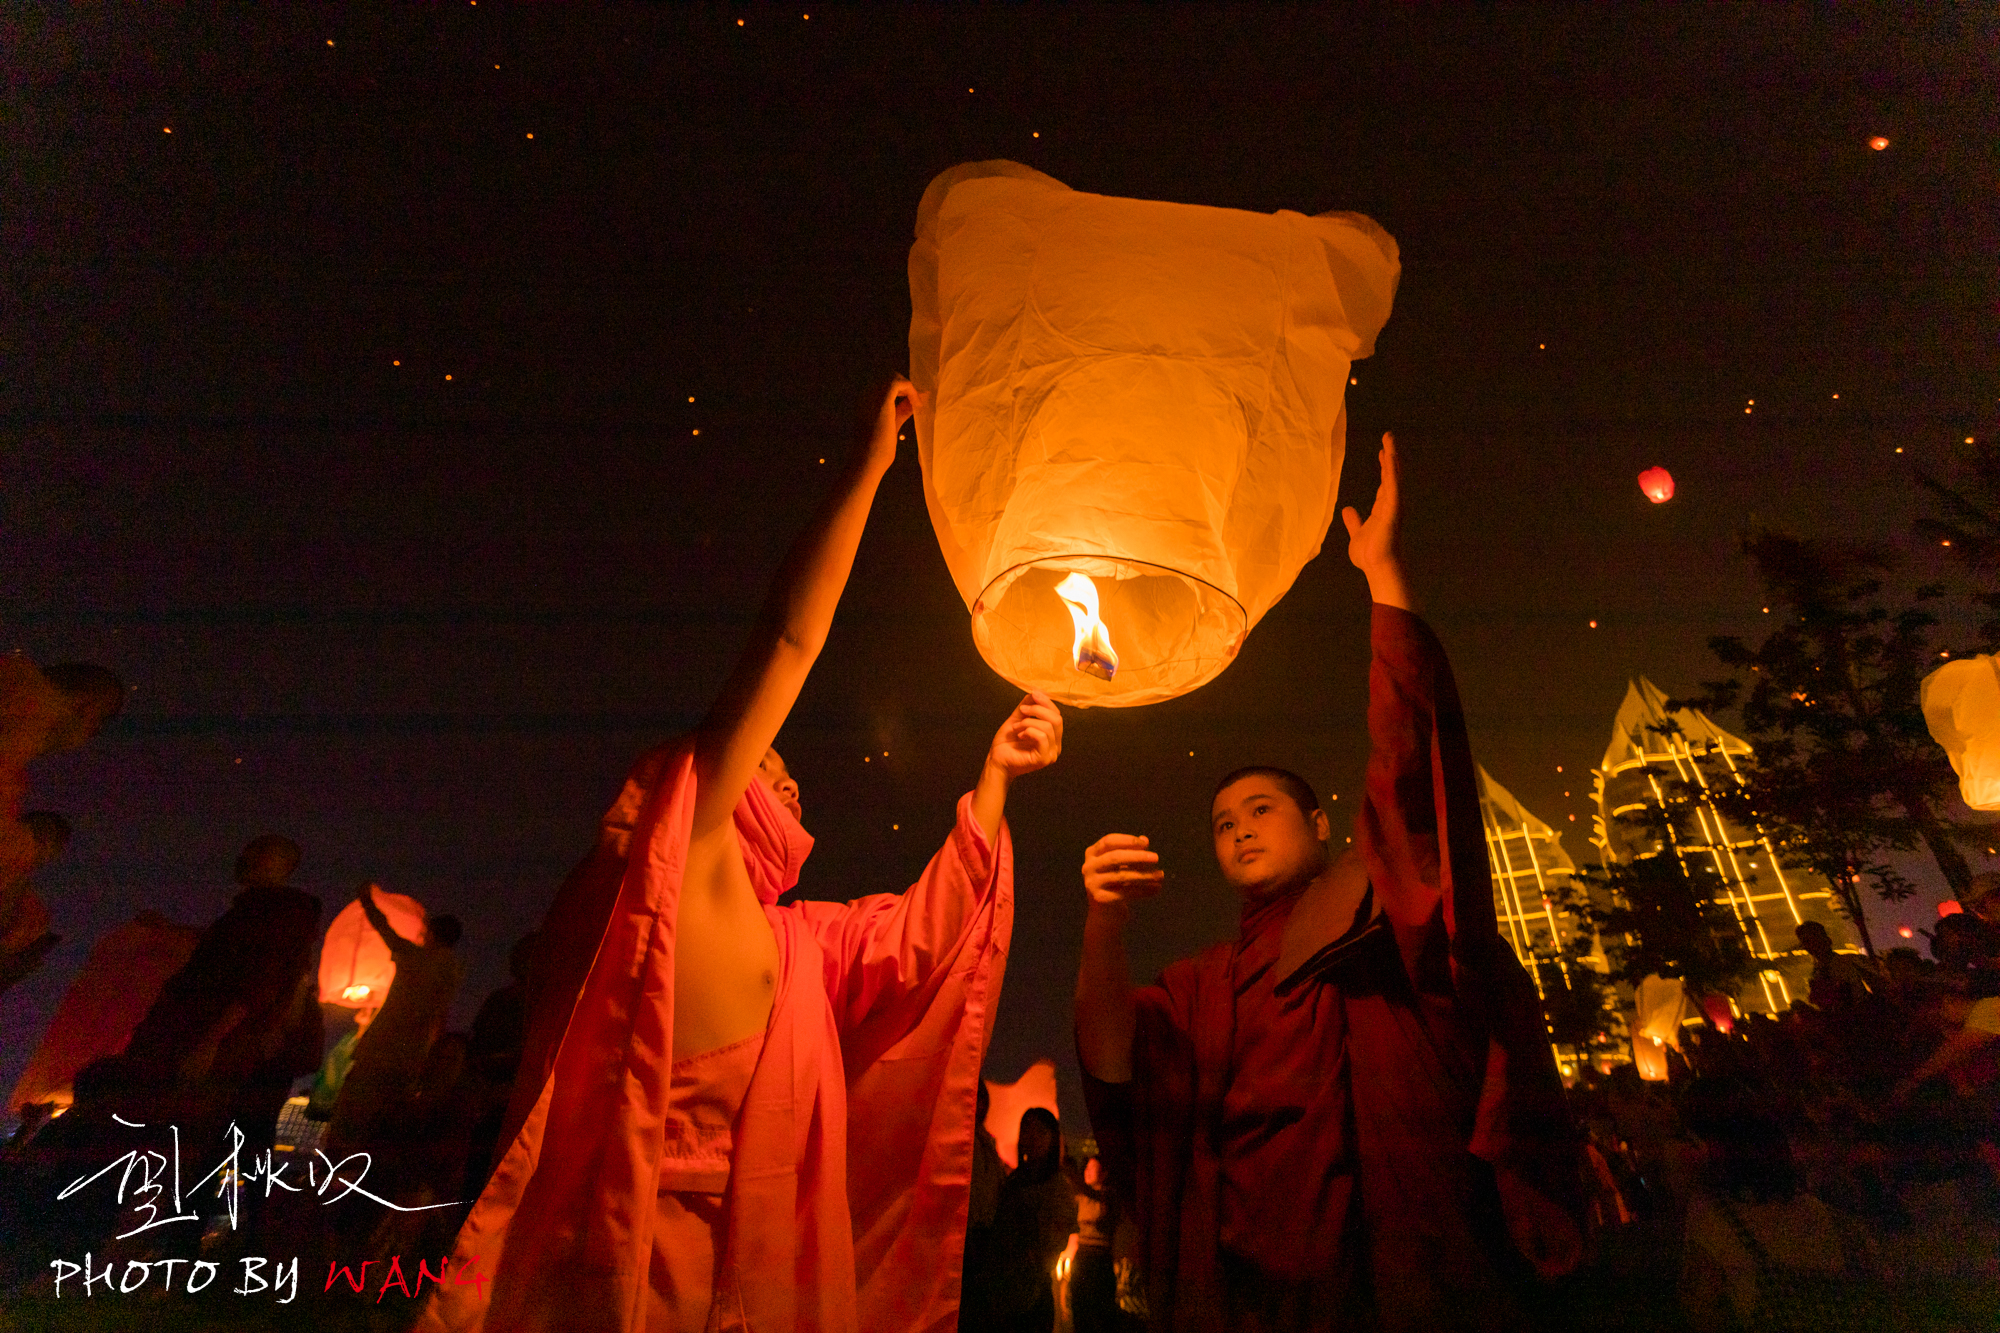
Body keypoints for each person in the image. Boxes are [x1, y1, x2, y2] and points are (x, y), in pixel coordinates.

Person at [423, 378, 1063, 1333]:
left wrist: (997, 779)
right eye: (768, 763)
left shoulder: (804, 939)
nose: (790, 782)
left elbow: (919, 939)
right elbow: (789, 638)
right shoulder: (687, 873)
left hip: (770, 1268)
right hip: (651, 1256)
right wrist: (866, 472)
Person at [1075, 435, 1584, 1333]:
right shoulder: (1205, 985)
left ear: (1320, 825)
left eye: (1261, 807)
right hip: (1244, 1296)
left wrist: (1384, 576)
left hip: (1389, 1276)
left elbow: (1411, 787)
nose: (1237, 825)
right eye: (1223, 821)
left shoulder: (1372, 913)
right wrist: (1103, 920)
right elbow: (1115, 1060)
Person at [324, 886, 464, 1174]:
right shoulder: (452, 971)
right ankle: (370, 1177)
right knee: (387, 1125)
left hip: (381, 1049)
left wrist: (366, 901)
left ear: (430, 934)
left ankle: (337, 1174)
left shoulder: (414, 957)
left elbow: (384, 929)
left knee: (353, 1116)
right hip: (411, 1058)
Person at [986, 1108, 1077, 1333]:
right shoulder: (1013, 1181)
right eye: (1026, 1129)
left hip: (1033, 1292)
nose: (1032, 1136)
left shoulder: (1058, 1188)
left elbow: (1053, 1242)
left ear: (1053, 1139)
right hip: (1000, 1292)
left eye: (1040, 1131)